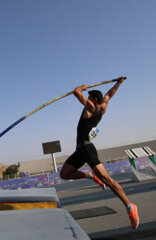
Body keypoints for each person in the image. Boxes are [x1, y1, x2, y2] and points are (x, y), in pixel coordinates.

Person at [59, 77, 139, 230]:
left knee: (108, 180)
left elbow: (76, 92)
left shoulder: (91, 107)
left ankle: (130, 207)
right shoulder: (103, 107)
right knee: (64, 174)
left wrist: (82, 88)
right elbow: (109, 94)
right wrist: (119, 83)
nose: (87, 98)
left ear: (93, 99)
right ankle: (91, 176)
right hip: (80, 150)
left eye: (89, 97)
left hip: (87, 149)